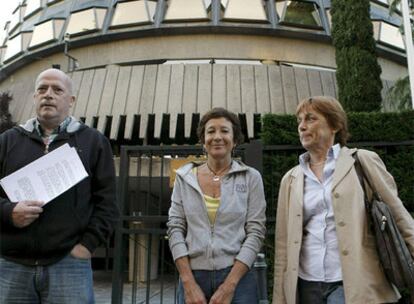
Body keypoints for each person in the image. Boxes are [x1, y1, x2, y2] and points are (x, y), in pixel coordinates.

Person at [272, 96, 414, 304]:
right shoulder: (291, 179)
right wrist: (280, 298)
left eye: (310, 119)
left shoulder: (362, 161)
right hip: (306, 284)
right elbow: (283, 245)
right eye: (299, 121)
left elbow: (399, 217)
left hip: (353, 283)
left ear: (335, 125)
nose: (302, 126)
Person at [0, 68, 119, 303]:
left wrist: (86, 246)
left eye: (57, 90)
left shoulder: (93, 142)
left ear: (71, 100)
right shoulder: (6, 141)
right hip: (12, 265)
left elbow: (108, 203)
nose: (48, 94)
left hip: (69, 264)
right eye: (42, 89)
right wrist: (8, 212)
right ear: (34, 97)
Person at [167, 108, 266, 304]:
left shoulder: (251, 178)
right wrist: (188, 282)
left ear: (235, 140)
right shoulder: (184, 178)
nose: (217, 137)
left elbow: (255, 232)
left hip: (239, 278)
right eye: (211, 131)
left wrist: (230, 285)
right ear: (203, 140)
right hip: (193, 275)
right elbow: (175, 228)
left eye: (225, 131)